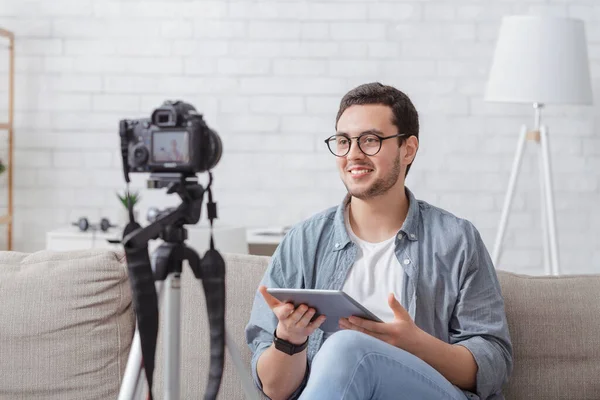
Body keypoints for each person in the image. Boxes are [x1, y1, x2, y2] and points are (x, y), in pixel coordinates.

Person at [245, 82, 513, 400]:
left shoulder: (456, 239)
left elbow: (493, 366)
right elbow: (275, 390)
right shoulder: (303, 241)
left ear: (408, 149)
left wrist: (415, 344)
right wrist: (289, 339)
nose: (353, 154)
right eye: (343, 141)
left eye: (370, 140)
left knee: (347, 346)